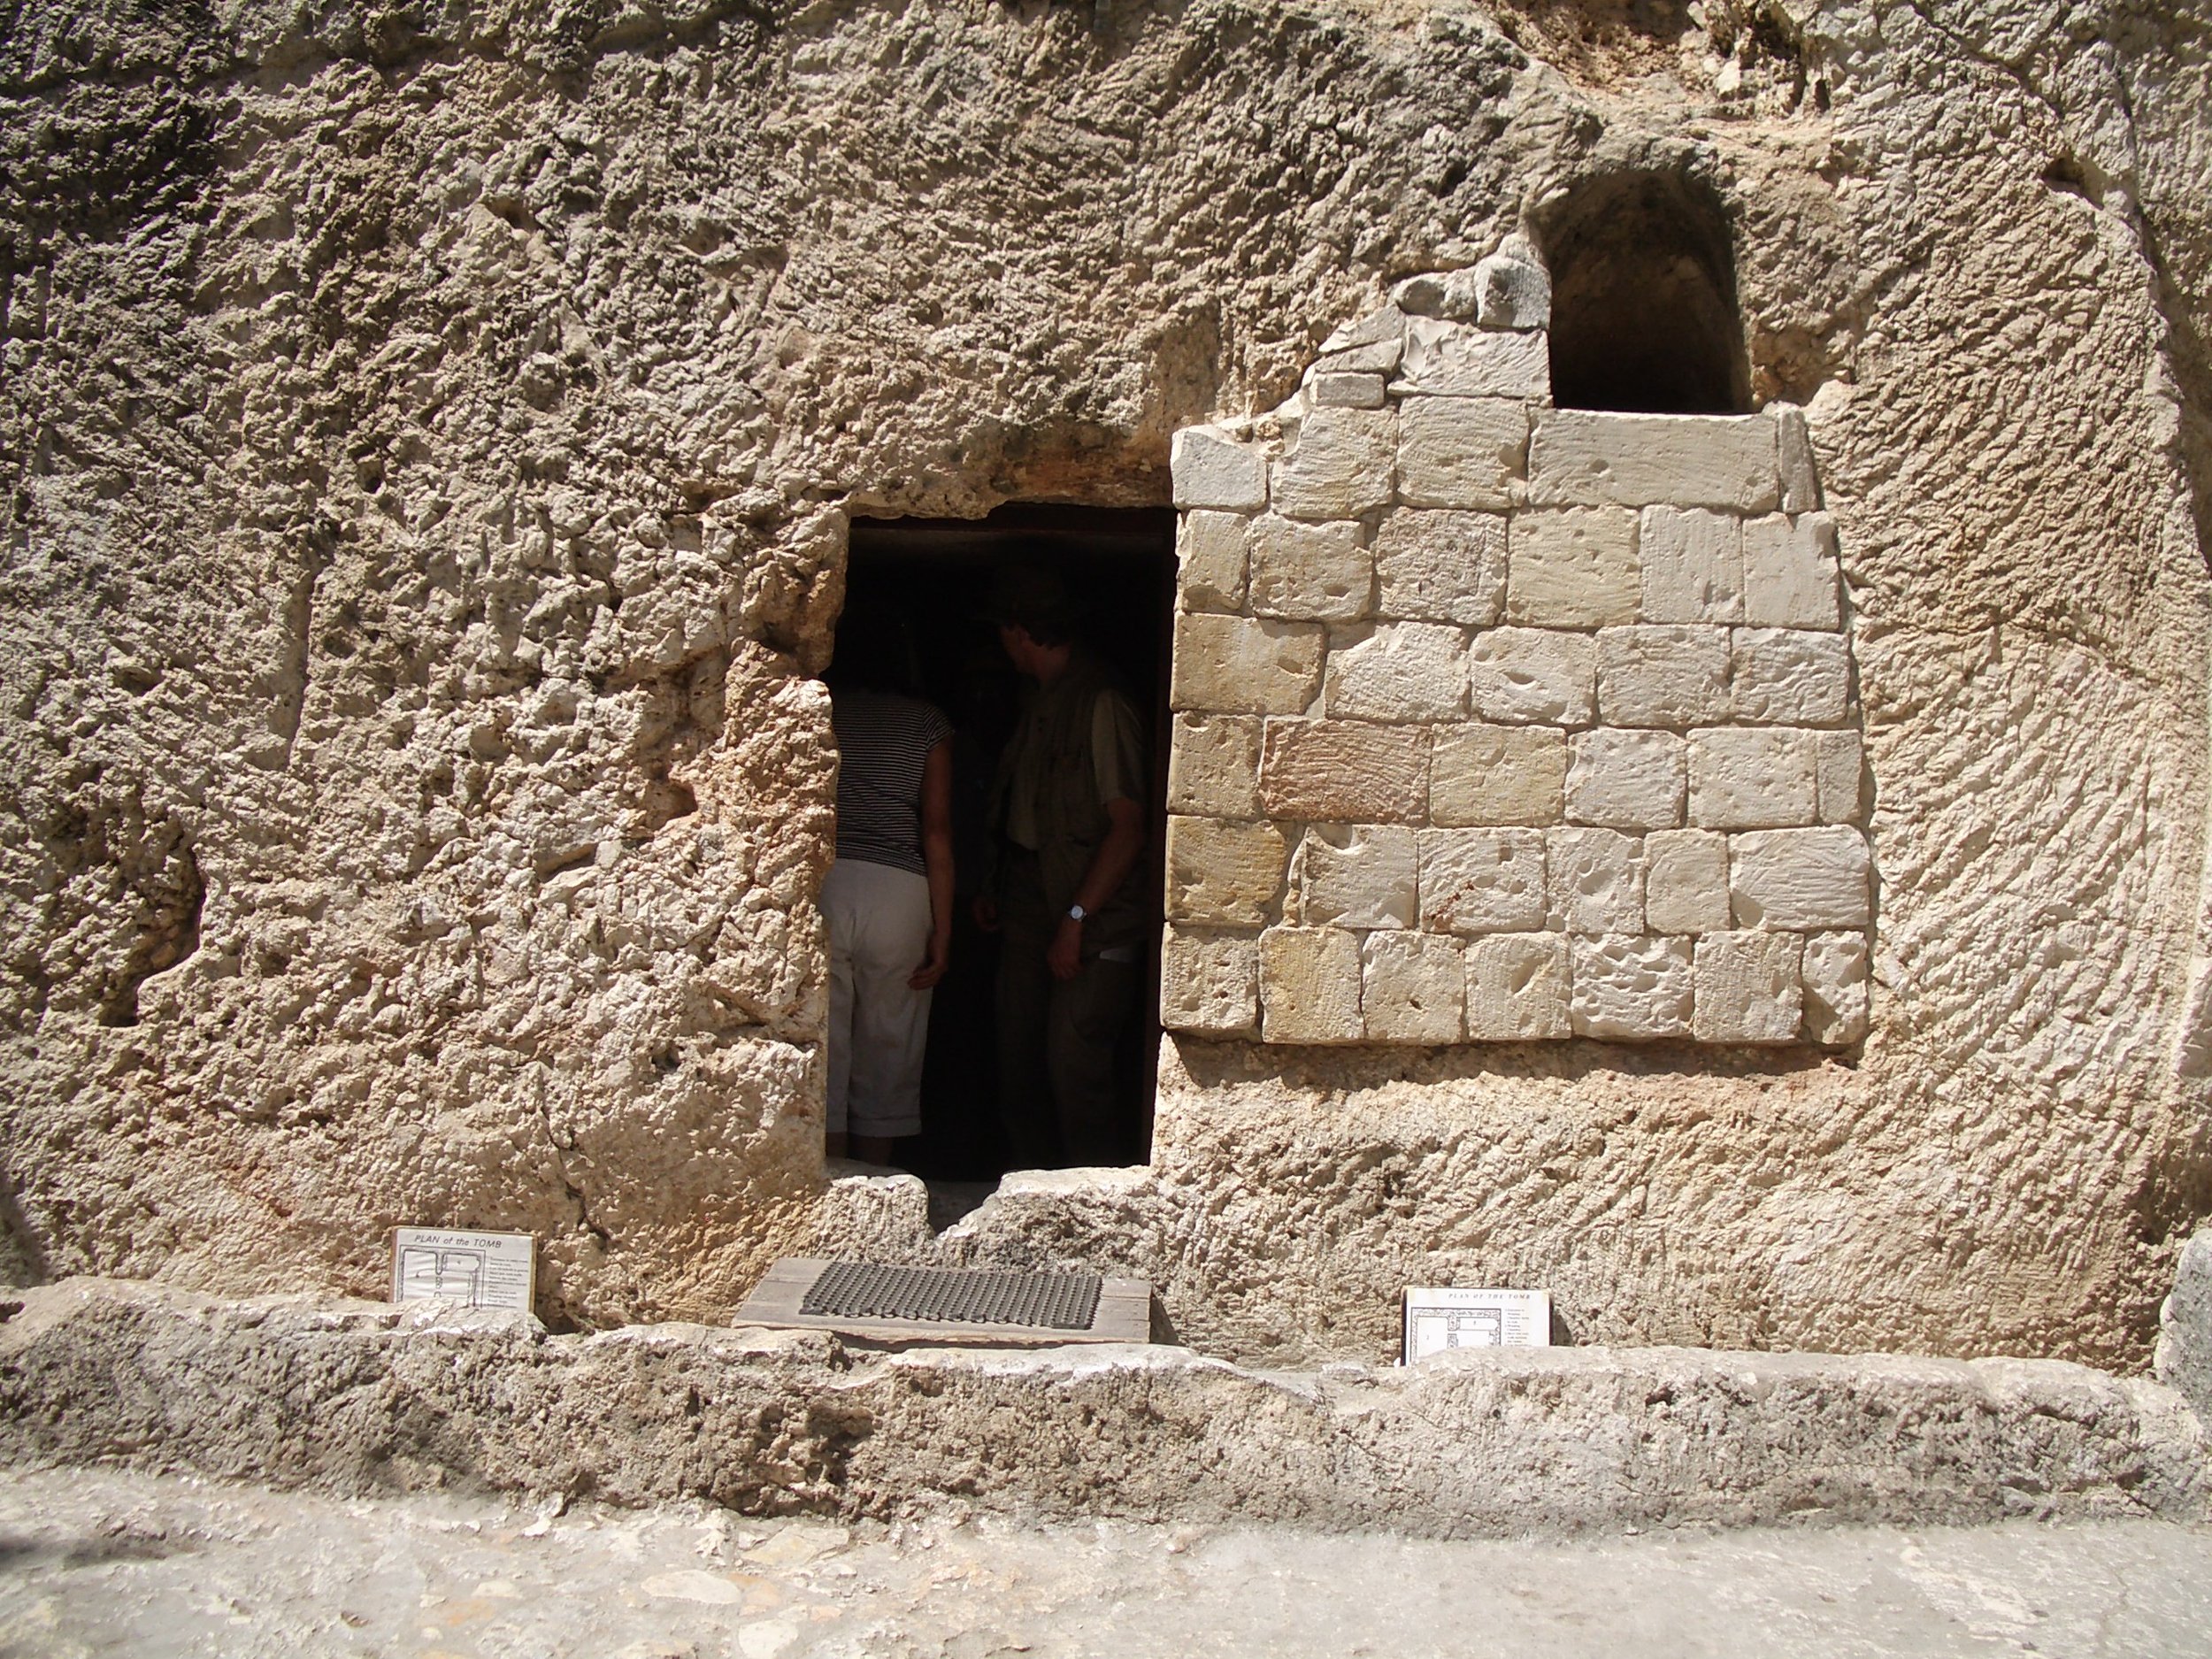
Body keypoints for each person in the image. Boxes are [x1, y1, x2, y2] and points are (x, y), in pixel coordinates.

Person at [975, 562, 1149, 1167]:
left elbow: (1127, 827)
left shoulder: (1102, 701)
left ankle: (1091, 1204)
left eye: (1004, 630)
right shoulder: (1038, 700)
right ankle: (1025, 1197)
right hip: (1031, 900)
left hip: (1092, 914)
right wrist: (996, 879)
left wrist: (1077, 916)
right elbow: (1024, 803)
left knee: (1075, 1067)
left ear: (1020, 631)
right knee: (1017, 1062)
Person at [821, 611, 956, 1166]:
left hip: (828, 878)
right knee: (890, 1045)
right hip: (900, 891)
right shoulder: (929, 724)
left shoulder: (824, 713)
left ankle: (828, 1181)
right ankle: (876, 1188)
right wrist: (943, 935)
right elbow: (938, 832)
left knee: (826, 1048)